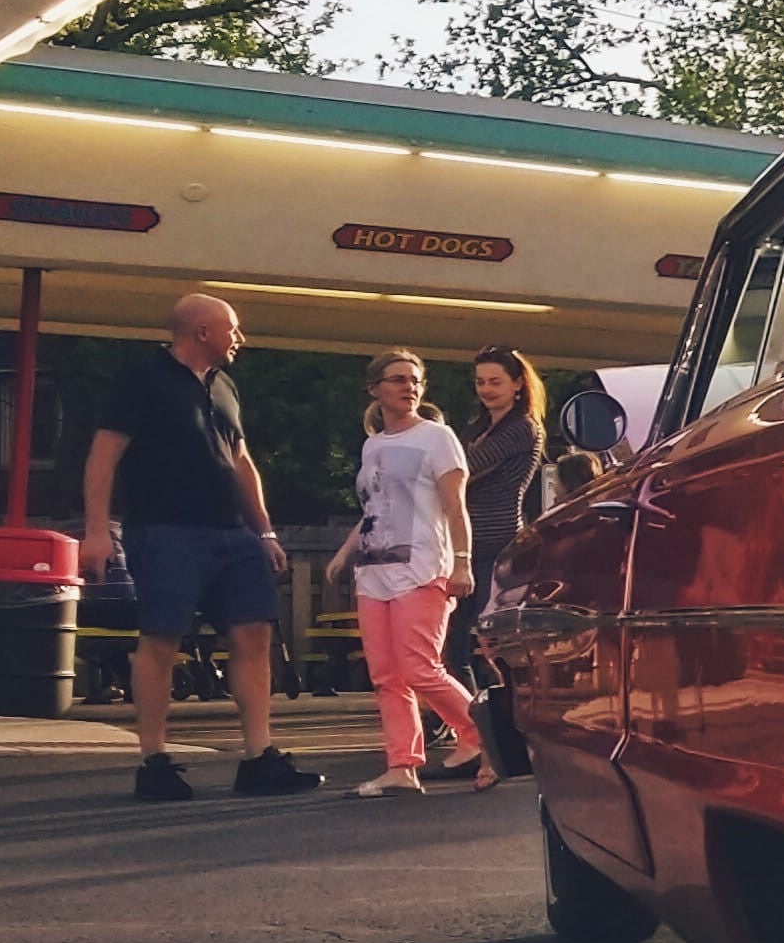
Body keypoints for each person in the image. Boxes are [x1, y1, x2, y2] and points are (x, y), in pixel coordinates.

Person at [84, 291, 324, 801]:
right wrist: (98, 530)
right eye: (232, 330)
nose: (240, 339)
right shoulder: (142, 380)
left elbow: (241, 460)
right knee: (163, 639)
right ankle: (154, 760)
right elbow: (103, 457)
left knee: (254, 634)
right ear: (201, 333)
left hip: (232, 533)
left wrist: (264, 531)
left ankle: (259, 757)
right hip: (165, 529)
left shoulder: (225, 386)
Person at [321, 349, 492, 799]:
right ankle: (401, 766)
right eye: (397, 379)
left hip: (422, 567)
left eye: (414, 380)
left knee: (420, 667)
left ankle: (484, 737)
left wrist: (462, 560)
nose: (408, 387)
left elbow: (455, 506)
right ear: (375, 389)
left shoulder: (437, 438)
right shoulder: (373, 444)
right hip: (375, 572)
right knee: (386, 675)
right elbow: (375, 509)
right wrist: (344, 553)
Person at [431, 345, 546, 782]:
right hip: (462, 540)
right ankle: (475, 739)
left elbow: (458, 469)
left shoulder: (522, 429)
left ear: (518, 384)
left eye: (495, 381)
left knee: (484, 643)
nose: (486, 390)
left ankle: (494, 746)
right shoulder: (478, 427)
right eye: (480, 382)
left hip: (494, 542)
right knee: (454, 644)